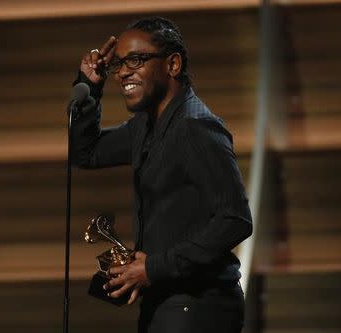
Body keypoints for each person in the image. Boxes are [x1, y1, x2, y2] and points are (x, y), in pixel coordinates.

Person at [70, 17, 253, 333]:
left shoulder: (196, 129)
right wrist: (91, 88)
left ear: (173, 64)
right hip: (166, 303)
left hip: (198, 307)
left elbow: (235, 219)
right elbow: (86, 153)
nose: (123, 72)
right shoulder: (145, 125)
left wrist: (153, 268)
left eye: (136, 60)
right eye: (119, 64)